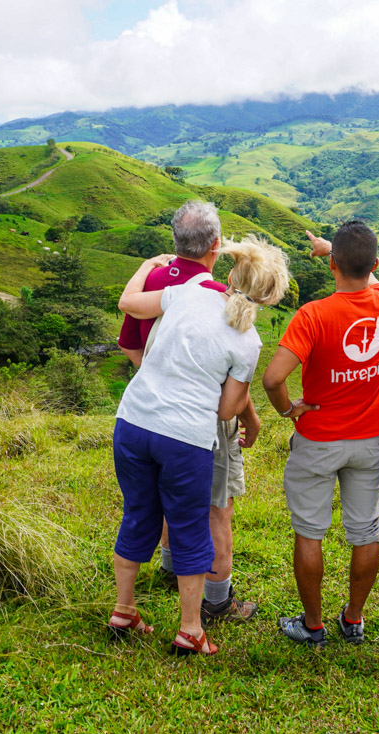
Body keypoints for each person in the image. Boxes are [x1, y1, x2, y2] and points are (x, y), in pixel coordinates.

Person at [108, 233, 291, 655]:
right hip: (185, 438)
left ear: (232, 273)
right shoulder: (248, 340)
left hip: (132, 421)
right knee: (192, 528)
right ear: (268, 298)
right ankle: (190, 629)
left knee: (137, 515)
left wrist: (147, 266)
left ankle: (123, 610)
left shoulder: (187, 291)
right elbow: (227, 411)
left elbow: (129, 304)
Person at [116, 199, 261, 625]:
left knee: (142, 510)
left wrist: (159, 374)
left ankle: (134, 599)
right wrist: (245, 415)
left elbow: (129, 336)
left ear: (175, 238)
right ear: (216, 245)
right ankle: (205, 612)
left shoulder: (163, 286)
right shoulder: (228, 313)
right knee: (210, 514)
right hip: (191, 426)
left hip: (138, 415)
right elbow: (227, 405)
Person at [262, 221, 379, 647]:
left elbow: (272, 378)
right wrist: (335, 252)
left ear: (332, 266)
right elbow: (368, 280)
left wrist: (288, 409)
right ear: (375, 264)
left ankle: (313, 625)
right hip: (368, 439)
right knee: (366, 532)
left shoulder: (313, 315)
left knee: (310, 531)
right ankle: (354, 618)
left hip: (319, 438)